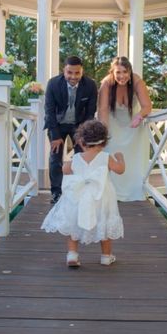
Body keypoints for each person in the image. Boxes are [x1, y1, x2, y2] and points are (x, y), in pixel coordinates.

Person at [41, 120, 125, 267]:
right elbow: (120, 169)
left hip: (79, 196)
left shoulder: (76, 158)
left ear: (81, 142)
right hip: (101, 197)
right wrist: (120, 158)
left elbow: (65, 169)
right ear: (104, 143)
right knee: (103, 223)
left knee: (74, 223)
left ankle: (72, 255)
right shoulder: (106, 158)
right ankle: (106, 256)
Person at [44, 56, 98, 205]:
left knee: (81, 158)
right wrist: (55, 135)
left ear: (82, 71)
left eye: (77, 73)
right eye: (69, 72)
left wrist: (83, 134)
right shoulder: (53, 83)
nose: (73, 76)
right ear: (64, 70)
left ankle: (79, 191)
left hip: (79, 125)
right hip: (57, 125)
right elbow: (49, 111)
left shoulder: (90, 85)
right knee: (55, 158)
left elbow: (90, 113)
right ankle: (56, 192)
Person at [97, 56, 152, 201]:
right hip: (112, 124)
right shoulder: (106, 84)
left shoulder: (137, 81)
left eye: (125, 72)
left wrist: (139, 116)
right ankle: (112, 192)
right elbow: (102, 110)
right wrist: (104, 133)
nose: (122, 76)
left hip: (133, 125)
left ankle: (134, 190)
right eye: (118, 72)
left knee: (133, 157)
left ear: (130, 71)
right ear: (112, 72)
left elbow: (147, 106)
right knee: (112, 152)